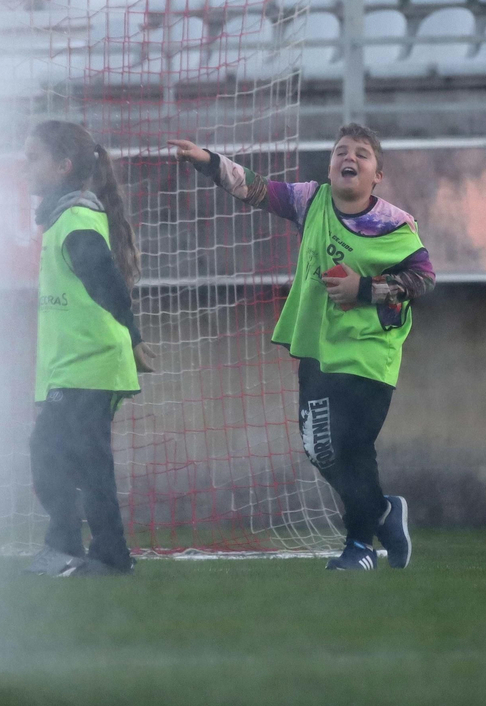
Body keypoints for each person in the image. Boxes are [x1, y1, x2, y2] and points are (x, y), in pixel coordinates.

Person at [168, 124, 435, 571]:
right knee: (320, 448)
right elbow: (256, 189)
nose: (349, 157)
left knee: (354, 445)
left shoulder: (394, 224)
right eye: (341, 151)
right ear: (330, 167)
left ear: (377, 176)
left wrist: (363, 289)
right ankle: (383, 511)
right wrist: (208, 161)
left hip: (370, 352)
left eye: (362, 153)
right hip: (317, 347)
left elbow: (423, 279)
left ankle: (359, 546)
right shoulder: (311, 201)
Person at [23, 120, 154, 578]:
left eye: (33, 158)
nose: (25, 167)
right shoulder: (64, 218)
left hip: (90, 364)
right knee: (74, 458)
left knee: (53, 454)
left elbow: (106, 281)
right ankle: (102, 553)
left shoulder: (77, 219)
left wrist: (134, 337)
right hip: (77, 366)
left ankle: (75, 549)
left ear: (63, 166)